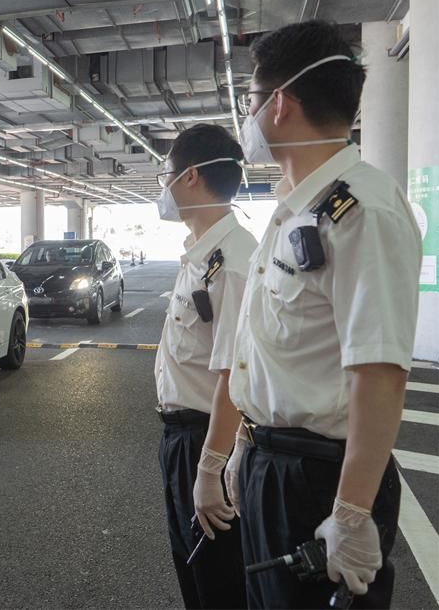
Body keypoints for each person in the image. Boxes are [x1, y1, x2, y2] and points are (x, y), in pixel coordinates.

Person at [226, 20, 421, 609]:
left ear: (280, 104)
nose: (249, 116)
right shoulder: (295, 212)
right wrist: (245, 442)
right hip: (274, 465)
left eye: (251, 101)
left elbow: (380, 370)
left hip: (320, 481)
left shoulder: (363, 211)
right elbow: (273, 352)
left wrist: (352, 513)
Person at [154, 124, 257, 609]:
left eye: (166, 174)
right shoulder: (202, 256)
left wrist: (210, 468)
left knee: (219, 586)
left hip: (204, 437)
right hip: (181, 439)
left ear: (190, 176)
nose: (164, 186)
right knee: (193, 574)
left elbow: (233, 376)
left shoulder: (233, 262)